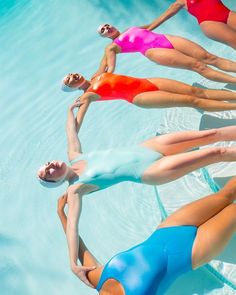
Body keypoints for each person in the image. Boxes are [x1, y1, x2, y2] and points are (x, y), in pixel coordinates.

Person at [37, 100, 236, 286]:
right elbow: (73, 225)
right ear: (55, 182)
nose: (50, 166)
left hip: (149, 147)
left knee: (211, 135)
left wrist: (70, 110)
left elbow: (70, 131)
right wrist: (73, 263)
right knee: (215, 153)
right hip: (152, 170)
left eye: (47, 165)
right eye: (48, 173)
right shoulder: (76, 189)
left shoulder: (75, 156)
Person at [57, 176, 236, 294]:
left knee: (226, 194)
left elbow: (79, 247)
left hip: (170, 228)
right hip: (192, 252)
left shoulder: (96, 278)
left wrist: (62, 215)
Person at [92, 22, 236, 83]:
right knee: (198, 66)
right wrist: (93, 81)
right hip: (154, 51)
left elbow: (152, 25)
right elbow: (108, 68)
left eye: (106, 25)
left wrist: (174, 8)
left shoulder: (132, 29)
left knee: (209, 57)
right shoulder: (111, 47)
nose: (106, 28)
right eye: (102, 30)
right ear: (104, 36)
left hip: (166, 38)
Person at [61, 72, 236, 112]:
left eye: (71, 74)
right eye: (69, 80)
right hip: (139, 96)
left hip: (147, 82)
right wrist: (71, 113)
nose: (72, 77)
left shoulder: (98, 74)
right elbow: (80, 115)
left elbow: (108, 56)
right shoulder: (87, 95)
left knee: (195, 91)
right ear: (72, 88)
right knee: (192, 101)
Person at [146, 0, 236, 49]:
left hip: (227, 14)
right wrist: (147, 30)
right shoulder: (180, 2)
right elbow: (162, 18)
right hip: (210, 23)